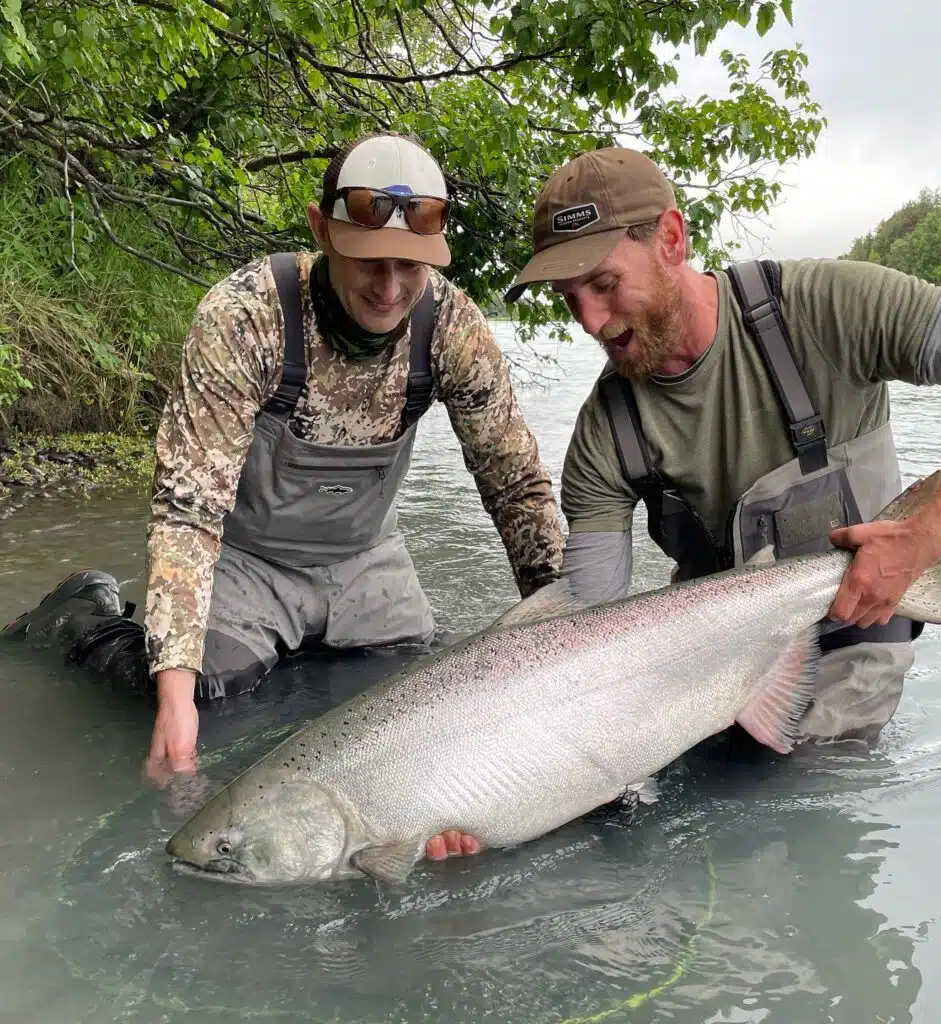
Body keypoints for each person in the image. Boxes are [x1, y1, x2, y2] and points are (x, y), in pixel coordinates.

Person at [3, 133, 564, 860]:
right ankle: (82, 618)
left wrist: (564, 628)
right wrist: (173, 699)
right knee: (195, 701)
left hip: (366, 559)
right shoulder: (245, 317)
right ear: (320, 228)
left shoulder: (452, 329)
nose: (391, 287)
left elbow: (514, 484)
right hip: (247, 555)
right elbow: (188, 510)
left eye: (411, 267)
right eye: (369, 261)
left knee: (403, 699)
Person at [501, 144, 941, 746]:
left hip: (848, 648)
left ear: (671, 239)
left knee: (802, 792)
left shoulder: (830, 310)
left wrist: (926, 534)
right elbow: (586, 638)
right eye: (570, 297)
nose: (591, 320)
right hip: (707, 678)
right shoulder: (602, 434)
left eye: (605, 283)